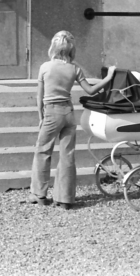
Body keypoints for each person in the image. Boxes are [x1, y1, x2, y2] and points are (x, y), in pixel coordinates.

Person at [30, 31, 115, 209]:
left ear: (53, 47)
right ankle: (66, 199)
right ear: (71, 49)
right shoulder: (74, 68)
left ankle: (40, 194)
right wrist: (108, 78)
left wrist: (40, 117)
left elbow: (39, 98)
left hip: (51, 112)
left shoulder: (45, 67)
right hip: (69, 112)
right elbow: (90, 91)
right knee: (67, 155)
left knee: (43, 152)